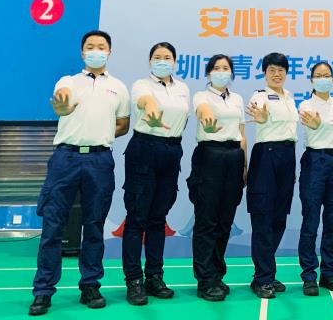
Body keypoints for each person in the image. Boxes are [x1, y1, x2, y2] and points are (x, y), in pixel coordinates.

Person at [29, 30, 130, 316]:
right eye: (90, 46)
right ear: (82, 52)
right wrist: (64, 106)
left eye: (101, 46)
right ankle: (43, 290)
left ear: (109, 52)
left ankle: (90, 285)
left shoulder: (119, 88)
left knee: (94, 225)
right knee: (53, 226)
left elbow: (123, 124)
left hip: (100, 160)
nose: (96, 50)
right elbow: (62, 103)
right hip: (66, 158)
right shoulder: (68, 81)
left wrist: (101, 132)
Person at [123, 42, 188, 305]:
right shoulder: (141, 85)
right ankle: (133, 280)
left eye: (167, 57)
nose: (163, 61)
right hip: (144, 149)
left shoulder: (182, 88)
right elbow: (144, 101)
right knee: (136, 218)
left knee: (158, 218)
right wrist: (150, 107)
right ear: (150, 61)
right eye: (158, 57)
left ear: (175, 62)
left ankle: (154, 276)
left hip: (171, 151)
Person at [189, 54, 248, 301]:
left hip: (234, 157)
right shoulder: (201, 96)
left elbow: (242, 134)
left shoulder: (237, 99)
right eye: (216, 68)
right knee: (207, 220)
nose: (221, 72)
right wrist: (208, 120)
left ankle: (217, 274)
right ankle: (205, 280)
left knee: (225, 221)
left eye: (226, 68)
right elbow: (203, 112)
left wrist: (244, 166)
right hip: (210, 155)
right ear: (208, 73)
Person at [245, 52, 298, 298]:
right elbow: (261, 115)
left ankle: (264, 273)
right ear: (265, 73)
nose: (277, 74)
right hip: (266, 155)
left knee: (279, 219)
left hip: (287, 156)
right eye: (272, 70)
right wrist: (262, 116)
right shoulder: (260, 96)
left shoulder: (290, 97)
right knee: (263, 219)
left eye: (281, 70)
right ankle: (263, 278)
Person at [297, 62, 333, 296]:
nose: (323, 78)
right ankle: (309, 275)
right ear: (311, 80)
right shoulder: (305, 104)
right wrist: (317, 124)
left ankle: (328, 273)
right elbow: (313, 126)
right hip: (315, 161)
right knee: (310, 221)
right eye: (318, 75)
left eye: (327, 75)